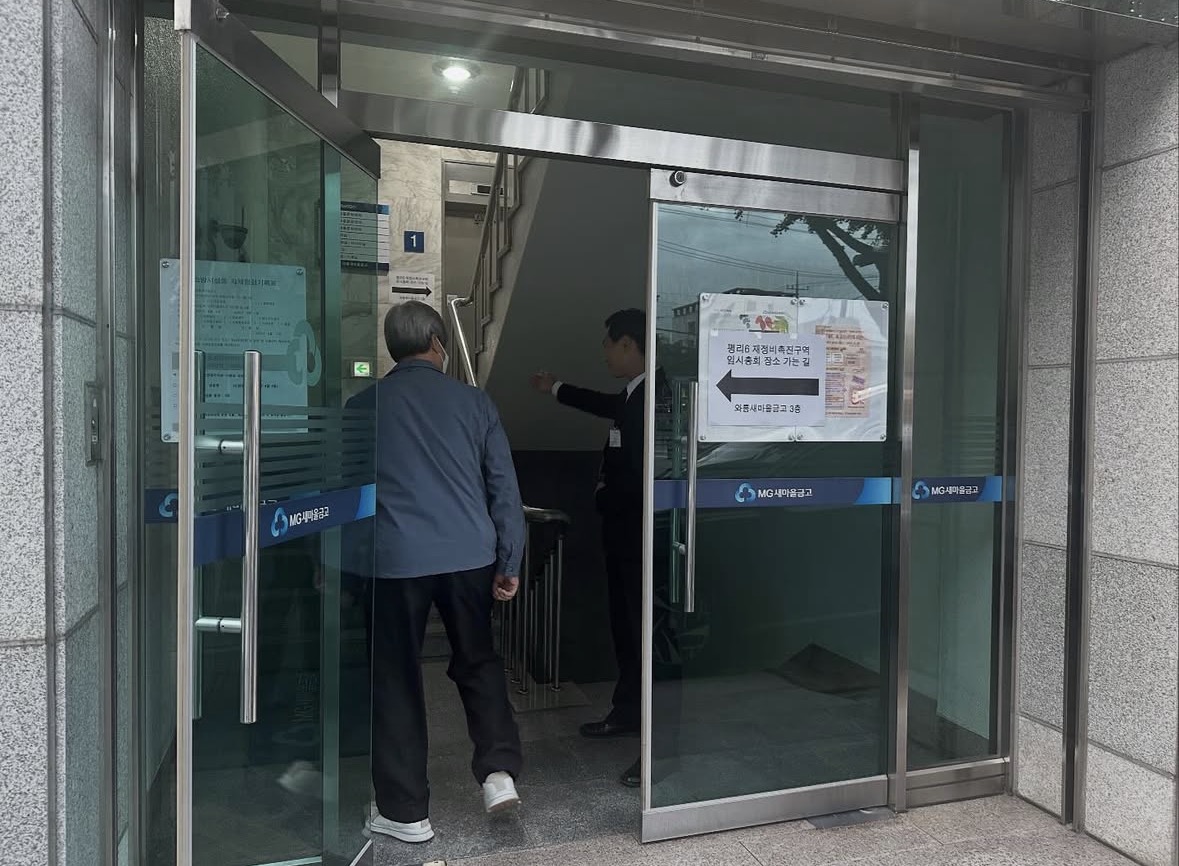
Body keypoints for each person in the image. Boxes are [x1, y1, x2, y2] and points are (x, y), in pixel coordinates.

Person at [350, 301, 526, 844]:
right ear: (437, 342)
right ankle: (498, 774)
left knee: (394, 676)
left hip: (393, 560)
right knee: (478, 660)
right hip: (469, 555)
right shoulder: (474, 402)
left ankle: (405, 812)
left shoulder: (361, 407)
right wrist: (510, 560)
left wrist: (337, 567)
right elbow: (503, 486)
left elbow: (343, 495)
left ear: (393, 348)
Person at [531, 308, 652, 788]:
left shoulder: (655, 397)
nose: (603, 353)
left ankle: (652, 736)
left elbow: (642, 474)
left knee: (642, 632)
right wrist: (555, 388)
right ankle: (628, 712)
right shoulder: (634, 392)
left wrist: (605, 495)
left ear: (627, 344)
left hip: (640, 537)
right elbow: (605, 405)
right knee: (626, 627)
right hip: (623, 536)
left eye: (608, 344)